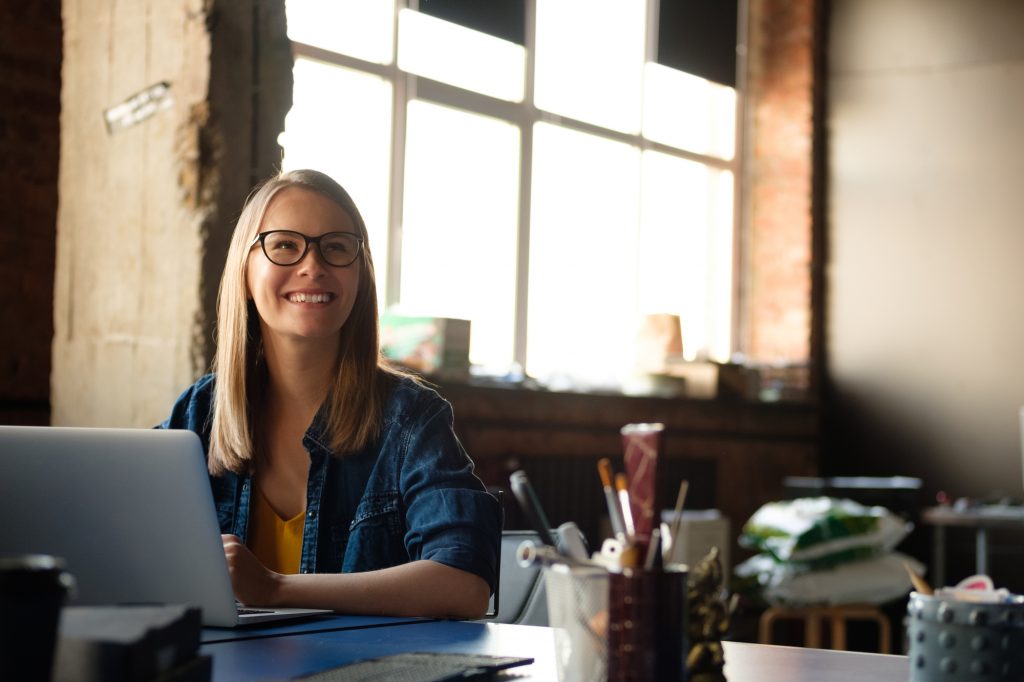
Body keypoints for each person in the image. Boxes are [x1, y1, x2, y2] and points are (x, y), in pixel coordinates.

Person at [161, 169, 499, 619]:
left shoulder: (411, 418)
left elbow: (464, 585)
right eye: (284, 244)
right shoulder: (196, 412)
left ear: (361, 277)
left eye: (337, 246)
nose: (313, 266)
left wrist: (276, 588)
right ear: (245, 269)